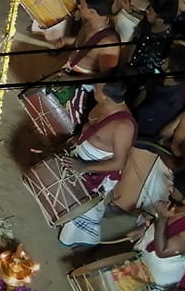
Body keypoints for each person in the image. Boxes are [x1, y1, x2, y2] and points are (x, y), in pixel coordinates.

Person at [57, 80, 138, 247]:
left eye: (98, 89)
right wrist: (78, 139)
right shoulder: (102, 103)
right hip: (80, 156)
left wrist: (84, 167)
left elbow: (119, 163)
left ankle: (81, 239)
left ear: (107, 97)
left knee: (84, 207)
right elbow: (89, 127)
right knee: (69, 196)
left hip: (94, 169)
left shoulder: (124, 126)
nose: (94, 88)